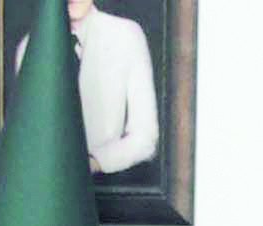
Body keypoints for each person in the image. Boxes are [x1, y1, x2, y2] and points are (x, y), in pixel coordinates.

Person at [17, 0, 159, 177]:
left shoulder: (126, 36)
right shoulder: (28, 48)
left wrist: (94, 163)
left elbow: (145, 139)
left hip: (107, 188)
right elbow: (29, 143)